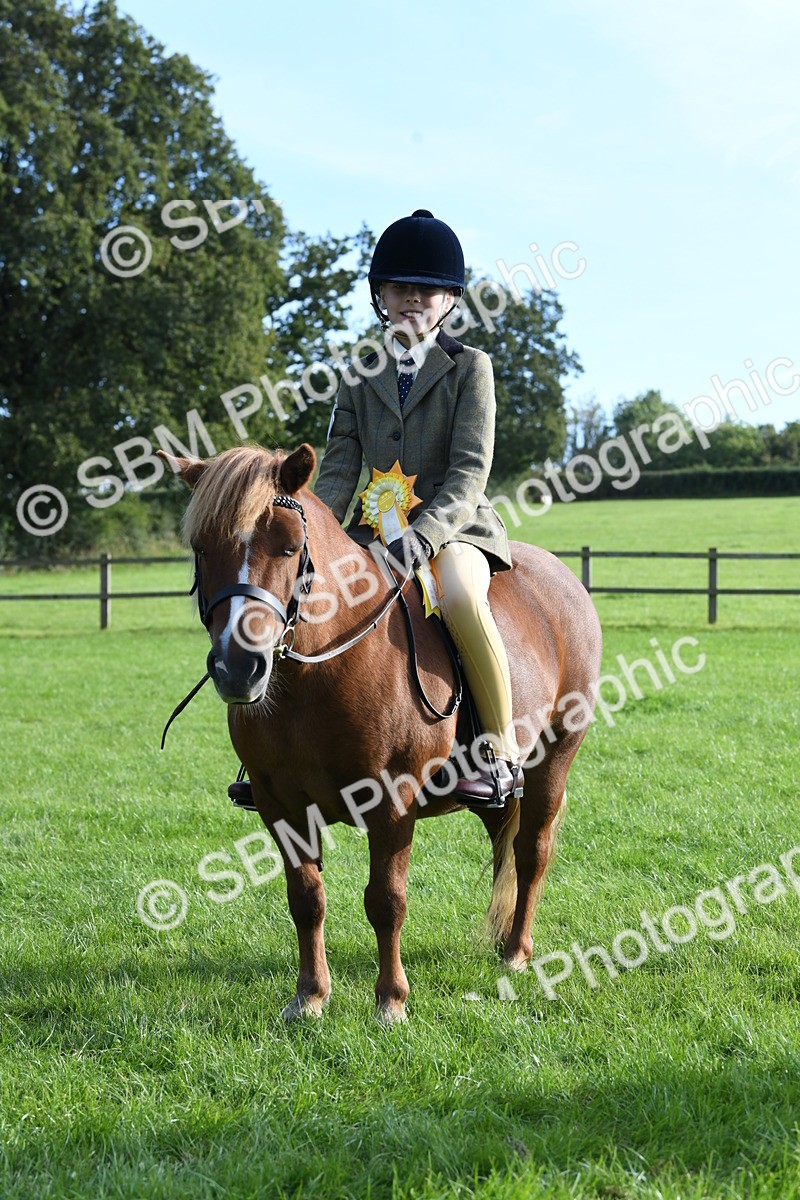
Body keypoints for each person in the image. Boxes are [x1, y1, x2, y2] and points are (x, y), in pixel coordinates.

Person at [312, 209, 522, 805]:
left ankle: (499, 753)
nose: (413, 300)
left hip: (455, 531)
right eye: (401, 289)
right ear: (380, 295)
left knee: (456, 596)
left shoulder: (469, 368)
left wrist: (423, 537)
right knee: (305, 593)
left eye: (427, 290)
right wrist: (318, 529)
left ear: (449, 300)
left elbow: (467, 473)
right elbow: (339, 463)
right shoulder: (358, 371)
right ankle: (281, 758)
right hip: (370, 526)